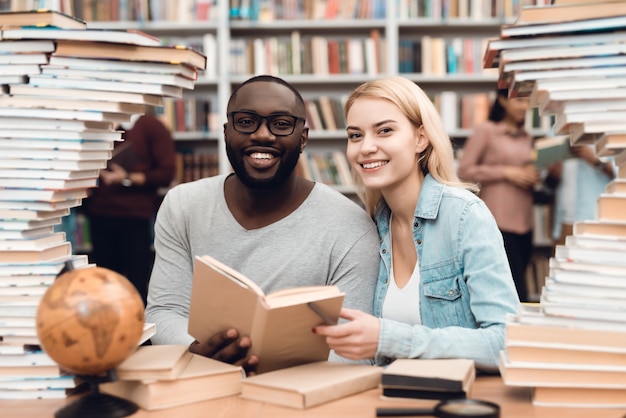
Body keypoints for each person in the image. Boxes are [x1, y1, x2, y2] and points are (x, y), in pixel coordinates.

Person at [145, 75, 380, 375]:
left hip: (300, 400)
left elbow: (354, 352)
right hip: (201, 383)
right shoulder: (182, 205)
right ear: (226, 132)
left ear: (303, 138)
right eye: (246, 121)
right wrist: (199, 353)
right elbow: (165, 311)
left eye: (281, 124)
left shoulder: (351, 226)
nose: (263, 135)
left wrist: (264, 373)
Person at [313, 77, 520, 371]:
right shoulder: (371, 227)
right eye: (355, 135)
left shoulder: (464, 216)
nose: (366, 147)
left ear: (420, 139)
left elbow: (506, 342)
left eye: (384, 131)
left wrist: (390, 338)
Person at [84, 111, 176, 306]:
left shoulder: (151, 126)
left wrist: (126, 178)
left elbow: (166, 174)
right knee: (105, 287)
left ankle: (140, 333)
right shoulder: (97, 126)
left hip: (134, 217)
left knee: (136, 285)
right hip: (99, 215)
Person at [457, 89, 539, 302]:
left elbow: (526, 170)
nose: (523, 107)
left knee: (521, 283)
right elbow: (464, 170)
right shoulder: (487, 131)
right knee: (513, 290)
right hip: (497, 220)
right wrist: (505, 172)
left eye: (526, 102)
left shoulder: (528, 137)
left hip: (525, 221)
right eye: (518, 101)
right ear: (503, 100)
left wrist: (532, 175)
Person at [549, 146, 614, 245]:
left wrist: (597, 162)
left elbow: (621, 175)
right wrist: (553, 175)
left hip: (595, 224)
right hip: (562, 223)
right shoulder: (556, 139)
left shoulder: (608, 135)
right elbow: (547, 187)